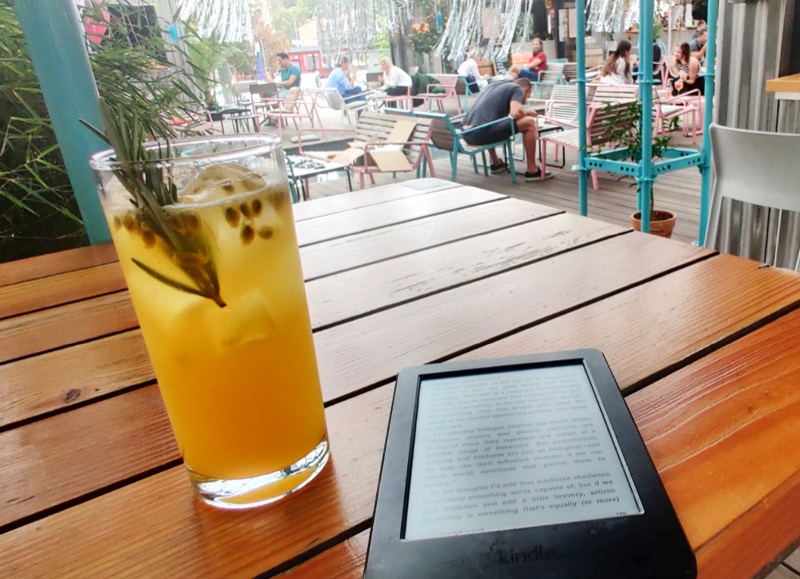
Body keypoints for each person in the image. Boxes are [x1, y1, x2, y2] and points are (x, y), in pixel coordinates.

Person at [461, 79, 552, 182]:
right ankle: (532, 170)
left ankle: (496, 164)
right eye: (529, 94)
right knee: (530, 123)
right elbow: (515, 113)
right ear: (525, 90)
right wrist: (526, 113)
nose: (528, 98)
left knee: (492, 120)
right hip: (479, 134)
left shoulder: (494, 84)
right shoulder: (517, 89)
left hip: (466, 132)